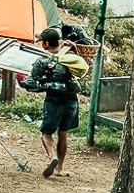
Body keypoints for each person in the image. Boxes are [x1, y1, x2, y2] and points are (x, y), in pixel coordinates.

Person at [22, 28, 91, 178]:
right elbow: (83, 67)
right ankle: (59, 168)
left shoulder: (43, 61)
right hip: (72, 100)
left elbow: (32, 81)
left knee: (46, 133)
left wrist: (27, 83)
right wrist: (74, 49)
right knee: (63, 134)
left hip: (54, 101)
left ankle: (52, 156)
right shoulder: (70, 56)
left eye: (42, 41)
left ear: (47, 44)